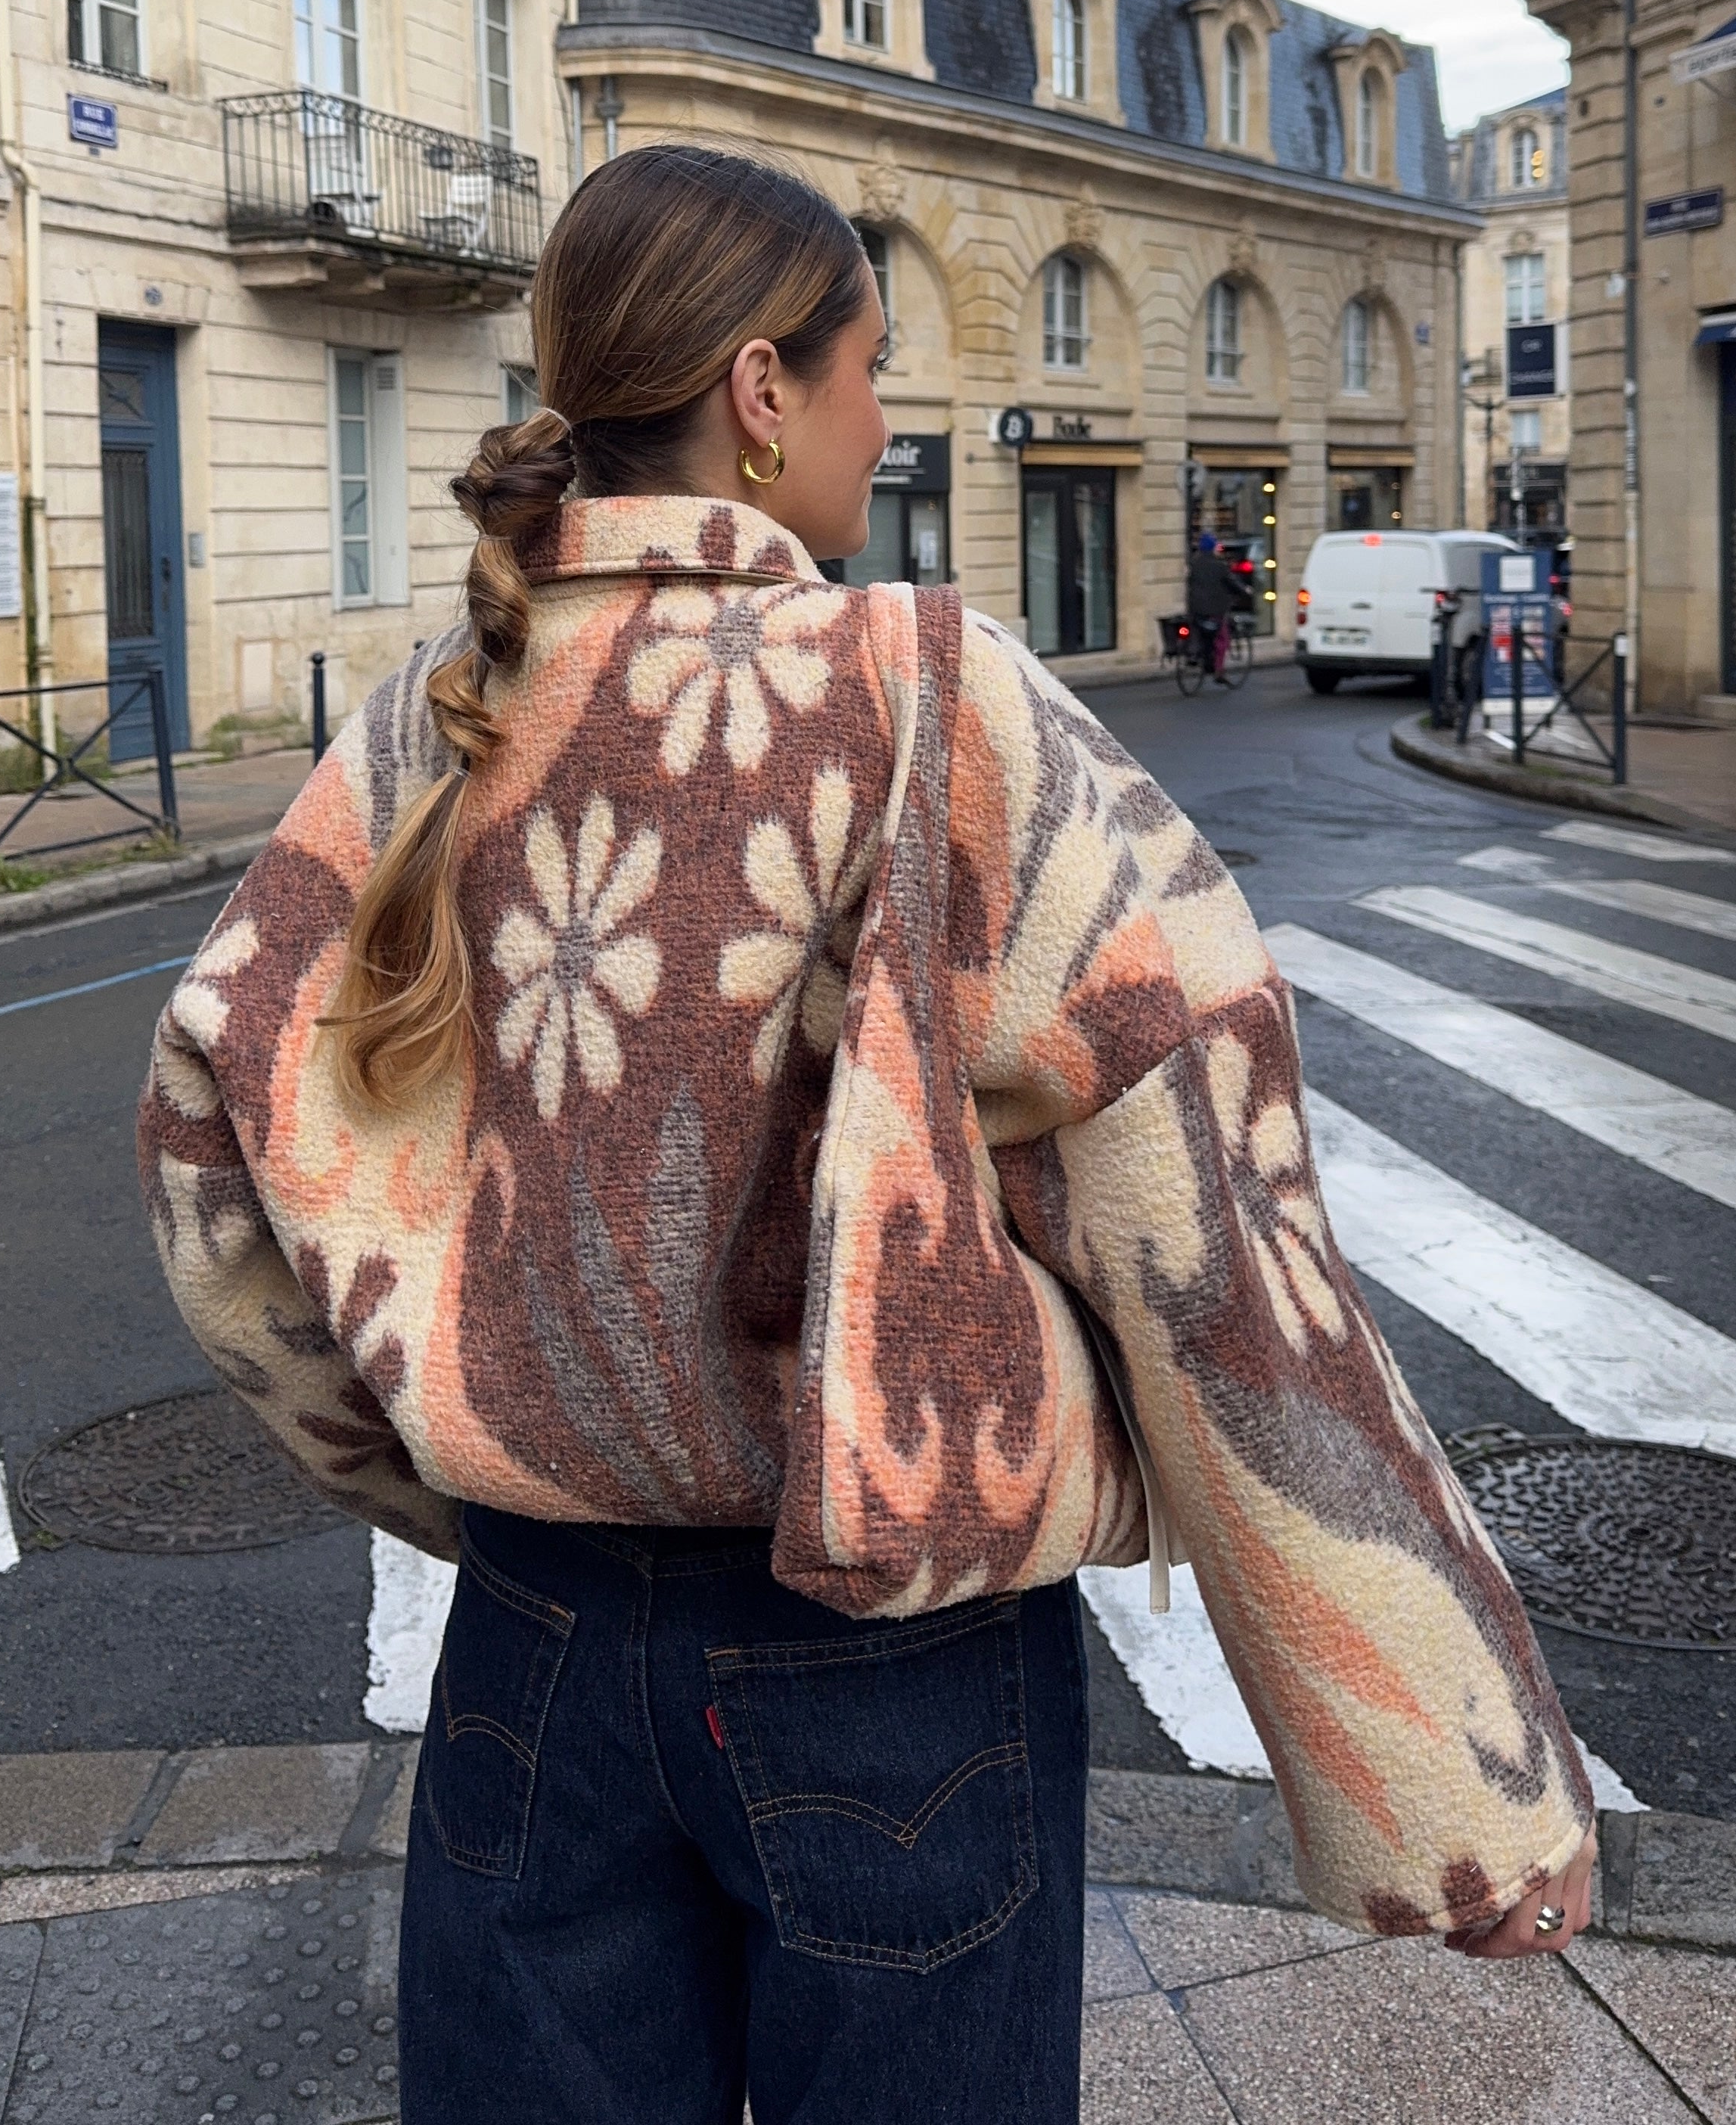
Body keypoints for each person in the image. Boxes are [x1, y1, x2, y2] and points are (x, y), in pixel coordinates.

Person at [141, 144, 1596, 2125]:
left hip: (530, 1642)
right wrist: (1445, 1770)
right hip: (899, 1661)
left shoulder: (433, 719)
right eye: (865, 368)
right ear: (760, 390)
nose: (883, 416)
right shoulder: (927, 695)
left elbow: (207, 1154)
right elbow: (1216, 1225)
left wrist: (446, 1445)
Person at [1185, 527, 1244, 678]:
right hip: (1215, 609)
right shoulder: (1219, 566)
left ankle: (1195, 656)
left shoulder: (1194, 563)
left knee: (1197, 631)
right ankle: (1219, 670)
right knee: (1221, 637)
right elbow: (1232, 583)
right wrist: (1245, 591)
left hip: (1195, 607)